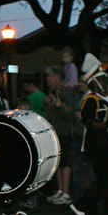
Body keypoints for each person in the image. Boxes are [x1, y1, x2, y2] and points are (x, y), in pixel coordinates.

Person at [68, 54, 108, 215]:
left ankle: (87, 208)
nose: (104, 80)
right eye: (100, 77)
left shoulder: (107, 99)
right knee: (106, 180)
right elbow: (90, 122)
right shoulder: (90, 99)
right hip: (98, 144)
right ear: (93, 80)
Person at [43, 66, 76, 206]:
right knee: (57, 163)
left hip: (64, 132)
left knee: (64, 164)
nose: (47, 80)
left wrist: (58, 104)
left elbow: (70, 114)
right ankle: (60, 190)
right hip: (55, 132)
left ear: (58, 77)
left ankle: (66, 192)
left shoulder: (66, 92)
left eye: (50, 76)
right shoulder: (54, 92)